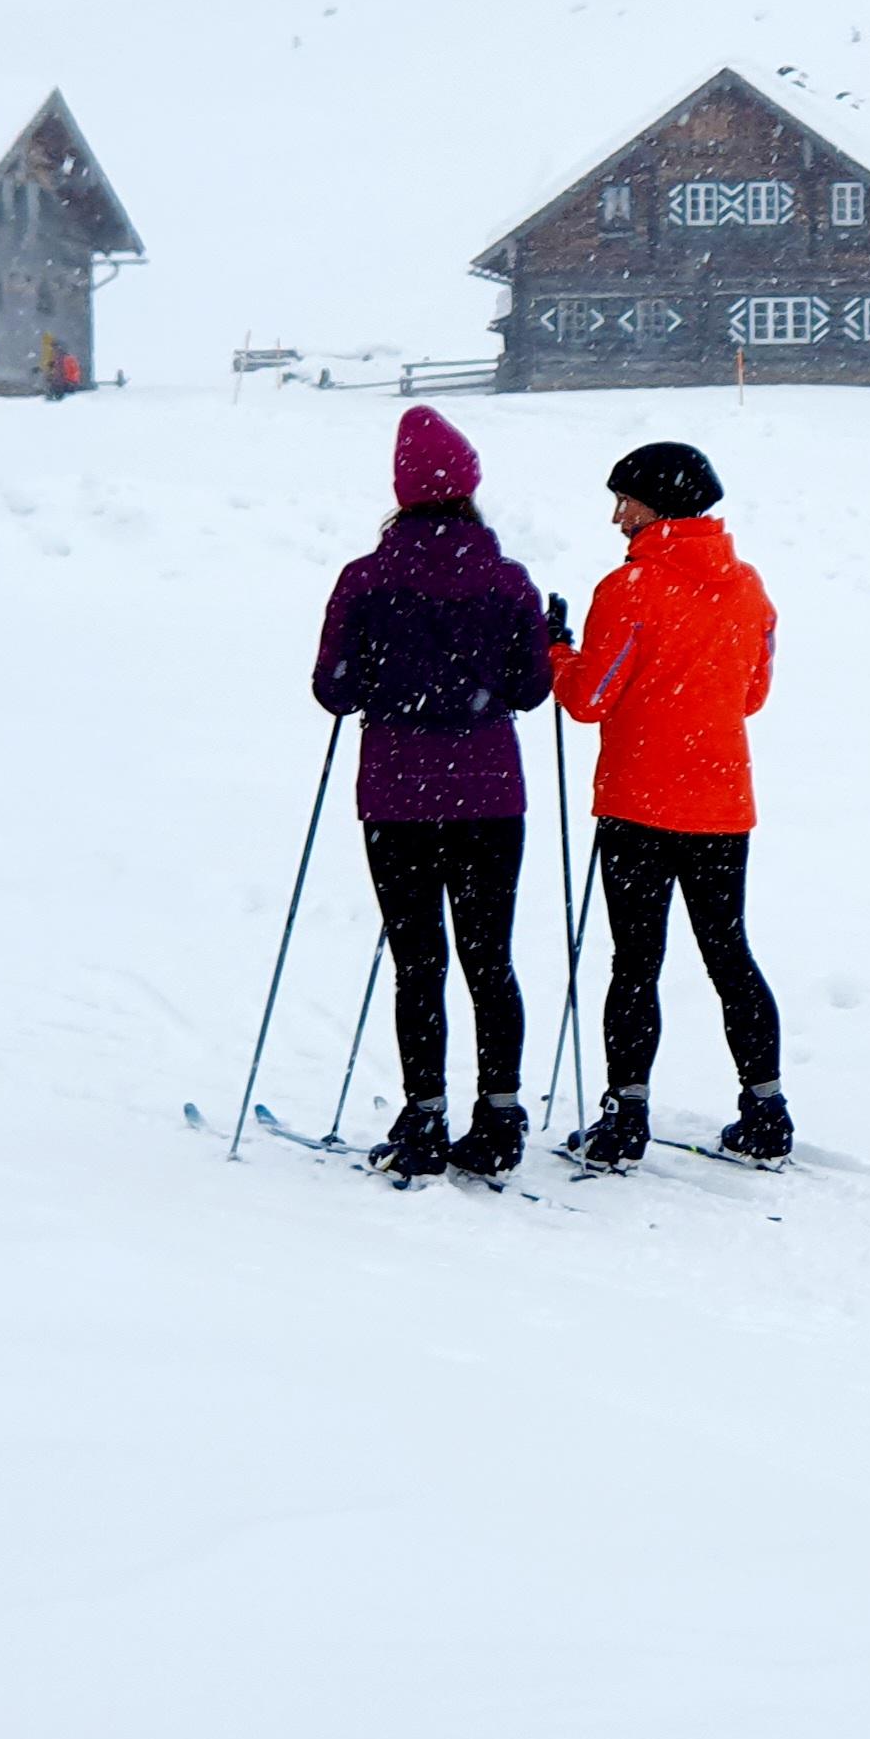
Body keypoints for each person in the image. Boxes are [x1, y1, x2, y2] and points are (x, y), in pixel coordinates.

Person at [313, 407, 554, 1180]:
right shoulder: (507, 580)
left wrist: (383, 676)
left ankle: (424, 1117)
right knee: (491, 960)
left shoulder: (366, 579)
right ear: (469, 487)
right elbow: (529, 688)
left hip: (398, 794)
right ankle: (501, 1115)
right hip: (490, 793)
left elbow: (334, 690)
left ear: (402, 492)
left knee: (418, 962)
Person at [548, 442, 789, 1167]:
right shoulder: (748, 586)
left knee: (635, 963)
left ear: (658, 506)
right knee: (729, 955)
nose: (617, 518)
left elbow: (590, 699)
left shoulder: (630, 588)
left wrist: (556, 652)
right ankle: (767, 1110)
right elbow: (752, 693)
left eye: (625, 502)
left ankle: (625, 1119)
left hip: (638, 804)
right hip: (720, 801)